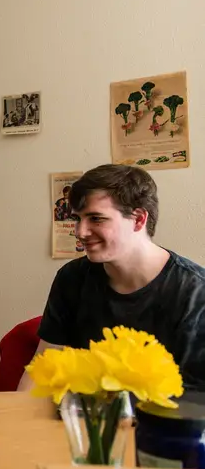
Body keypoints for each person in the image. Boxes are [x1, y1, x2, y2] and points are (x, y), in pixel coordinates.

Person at [18, 164, 205, 392]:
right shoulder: (72, 278)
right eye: (78, 219)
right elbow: (41, 369)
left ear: (138, 220)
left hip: (163, 424)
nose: (80, 232)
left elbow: (195, 404)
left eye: (96, 219)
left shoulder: (195, 293)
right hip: (81, 421)